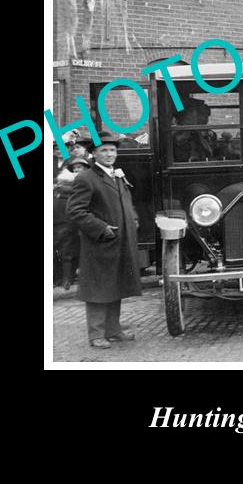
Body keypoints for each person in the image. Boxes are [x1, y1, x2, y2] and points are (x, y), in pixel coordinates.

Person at [66, 133, 142, 348]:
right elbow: (76, 211)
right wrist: (101, 228)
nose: (109, 154)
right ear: (94, 154)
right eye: (104, 151)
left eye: (113, 150)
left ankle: (113, 330)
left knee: (115, 284)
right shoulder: (86, 178)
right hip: (100, 242)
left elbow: (126, 202)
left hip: (120, 241)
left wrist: (133, 217)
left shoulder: (116, 176)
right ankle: (96, 334)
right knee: (99, 288)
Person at [54, 157, 89, 290]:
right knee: (66, 249)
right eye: (74, 168)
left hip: (79, 219)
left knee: (71, 250)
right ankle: (65, 278)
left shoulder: (86, 180)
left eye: (79, 167)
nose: (76, 170)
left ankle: (69, 278)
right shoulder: (65, 182)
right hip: (66, 219)